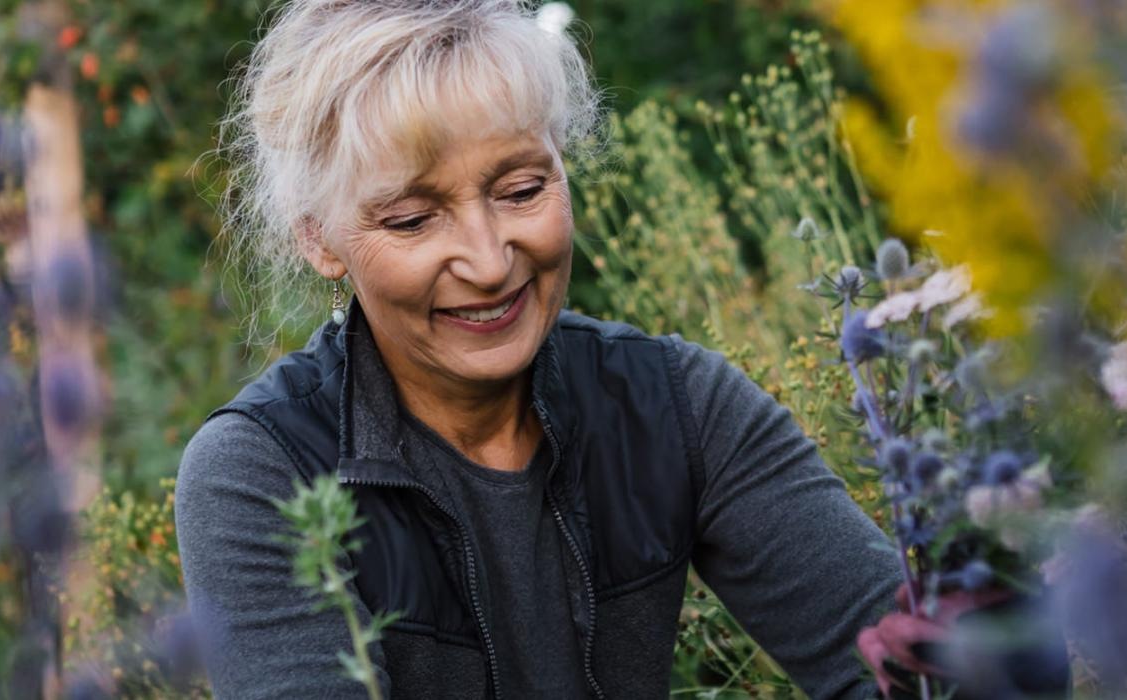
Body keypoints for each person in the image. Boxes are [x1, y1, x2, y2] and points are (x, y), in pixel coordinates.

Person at [174, 1, 903, 697]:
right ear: (319, 239)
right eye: (412, 219)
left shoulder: (681, 408)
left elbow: (914, 665)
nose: (489, 262)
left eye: (521, 190)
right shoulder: (261, 475)